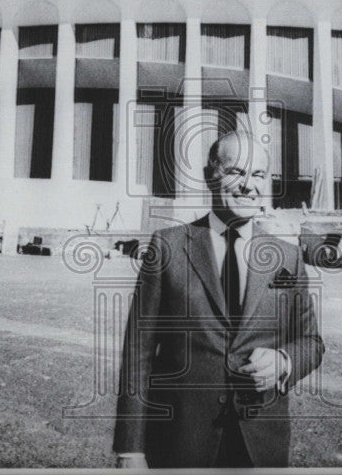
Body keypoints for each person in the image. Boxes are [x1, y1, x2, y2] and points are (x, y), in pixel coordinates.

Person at [113, 131, 324, 468]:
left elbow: (312, 341)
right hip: (180, 443)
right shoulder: (167, 247)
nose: (247, 185)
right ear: (210, 175)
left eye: (257, 174)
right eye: (235, 172)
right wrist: (130, 448)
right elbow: (139, 354)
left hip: (260, 446)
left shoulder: (287, 257)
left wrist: (285, 361)